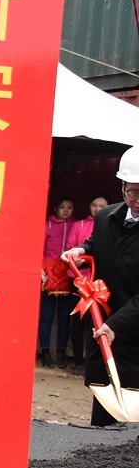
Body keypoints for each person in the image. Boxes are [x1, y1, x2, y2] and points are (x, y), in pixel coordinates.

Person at [62, 149, 139, 426]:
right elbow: (99, 244)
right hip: (104, 324)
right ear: (122, 187)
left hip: (133, 330)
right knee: (104, 406)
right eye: (134, 191)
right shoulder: (107, 216)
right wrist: (82, 250)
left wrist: (116, 325)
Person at [68, 194, 109, 370]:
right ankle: (78, 360)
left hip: (100, 282)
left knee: (98, 323)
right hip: (79, 280)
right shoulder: (79, 225)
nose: (98, 209)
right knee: (77, 322)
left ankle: (96, 362)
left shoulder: (109, 225)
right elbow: (71, 246)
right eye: (94, 205)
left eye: (102, 206)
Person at [39, 196, 77, 368]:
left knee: (64, 316)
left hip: (68, 271)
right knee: (46, 315)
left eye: (69, 207)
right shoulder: (47, 225)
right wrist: (42, 269)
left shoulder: (75, 225)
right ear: (55, 208)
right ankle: (45, 351)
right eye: (62, 207)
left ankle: (61, 351)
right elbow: (39, 247)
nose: (66, 211)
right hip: (49, 272)